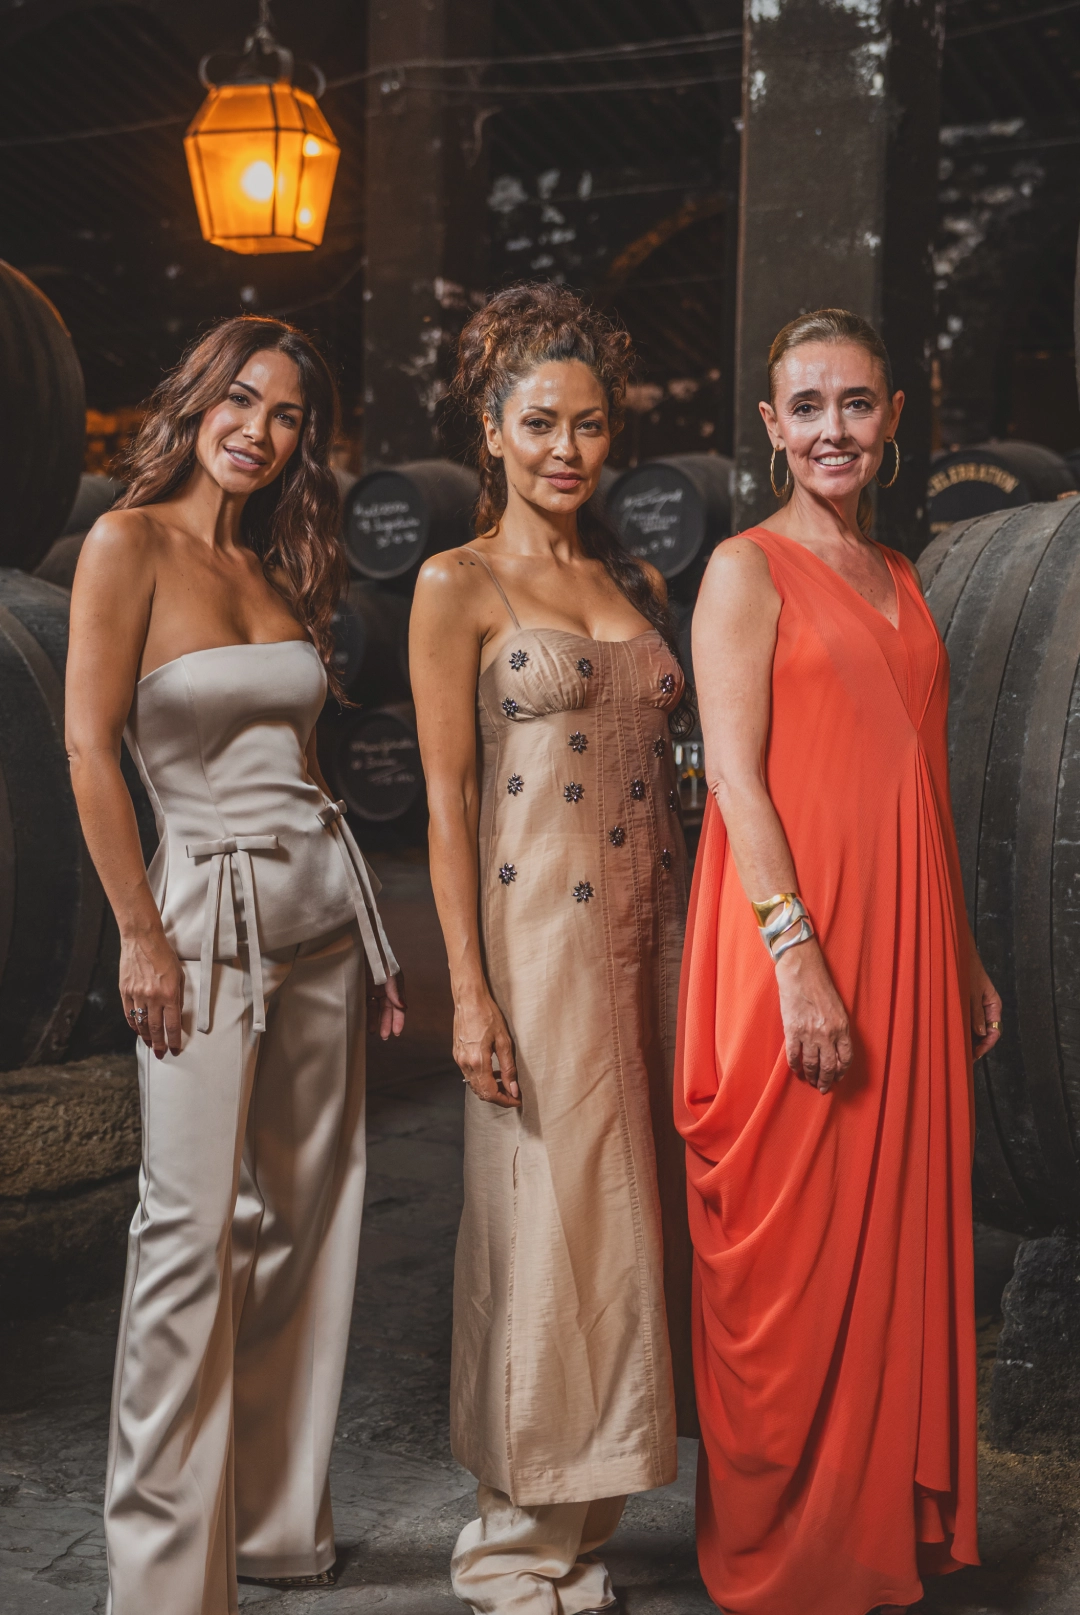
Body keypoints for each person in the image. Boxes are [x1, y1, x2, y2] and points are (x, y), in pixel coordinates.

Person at [65, 315, 406, 1614]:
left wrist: (374, 936)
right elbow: (91, 750)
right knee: (188, 1235)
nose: (258, 431)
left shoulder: (274, 568)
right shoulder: (125, 543)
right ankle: (159, 1582)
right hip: (200, 918)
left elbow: (306, 773)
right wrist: (138, 937)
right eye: (242, 400)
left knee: (305, 1229)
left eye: (286, 418)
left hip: (323, 919)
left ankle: (270, 1522)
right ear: (200, 398)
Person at [678, 307, 999, 1615]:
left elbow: (923, 781)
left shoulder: (907, 576)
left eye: (855, 404)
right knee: (796, 1259)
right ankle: (783, 1560)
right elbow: (738, 780)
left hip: (908, 946)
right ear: (769, 425)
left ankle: (870, 1544)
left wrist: (966, 953)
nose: (832, 430)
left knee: (891, 1250)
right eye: (806, 406)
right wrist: (797, 958)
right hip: (789, 939)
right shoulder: (743, 571)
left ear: (895, 415)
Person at [410, 283, 695, 1614]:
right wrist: (466, 990)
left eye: (589, 424)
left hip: (657, 929)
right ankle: (509, 1535)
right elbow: (448, 805)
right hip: (535, 945)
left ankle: (586, 1520)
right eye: (540, 422)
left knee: (630, 1221)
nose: (567, 449)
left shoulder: (627, 579)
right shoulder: (453, 583)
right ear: (490, 425)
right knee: (545, 1223)